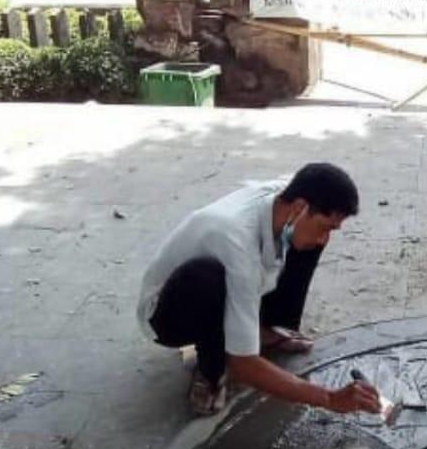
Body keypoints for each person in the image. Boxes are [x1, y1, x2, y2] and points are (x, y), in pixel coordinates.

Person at [137, 164, 381, 419]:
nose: (325, 239)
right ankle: (211, 371)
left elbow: (311, 186)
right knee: (208, 279)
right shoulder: (236, 244)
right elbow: (244, 365)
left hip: (241, 274)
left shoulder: (286, 199)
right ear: (298, 208)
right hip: (169, 313)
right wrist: (329, 398)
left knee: (307, 239)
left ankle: (267, 328)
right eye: (326, 226)